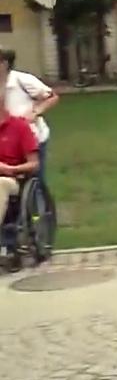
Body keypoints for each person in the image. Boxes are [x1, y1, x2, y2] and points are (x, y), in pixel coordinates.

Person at [0, 50, 57, 190]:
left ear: (4, 64)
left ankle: (39, 207)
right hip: (5, 135)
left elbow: (51, 96)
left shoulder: (21, 79)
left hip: (32, 135)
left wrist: (35, 112)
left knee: (35, 177)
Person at [0, 87, 39, 272]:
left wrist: (11, 169)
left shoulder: (19, 127)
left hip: (12, 179)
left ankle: (8, 246)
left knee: (1, 184)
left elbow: (34, 164)